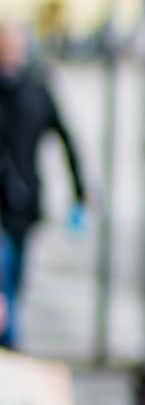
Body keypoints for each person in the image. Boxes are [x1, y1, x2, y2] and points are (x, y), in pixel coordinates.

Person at [0, 20, 86, 352]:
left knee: (16, 275)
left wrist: (79, 193)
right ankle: (10, 343)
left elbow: (67, 140)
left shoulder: (36, 89)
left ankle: (10, 342)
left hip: (24, 200)